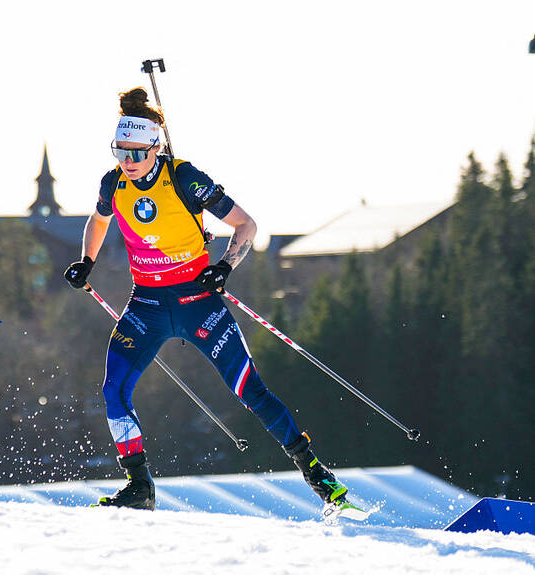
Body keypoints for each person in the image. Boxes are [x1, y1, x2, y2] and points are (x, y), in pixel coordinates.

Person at [64, 87, 350, 512]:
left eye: (136, 154)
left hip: (198, 300)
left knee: (249, 389)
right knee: (113, 391)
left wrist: (226, 265)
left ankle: (316, 474)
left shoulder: (184, 176)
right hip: (146, 306)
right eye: (120, 152)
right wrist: (86, 260)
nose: (127, 162)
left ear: (155, 148)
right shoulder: (114, 183)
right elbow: (98, 218)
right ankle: (139, 486)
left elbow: (246, 225)